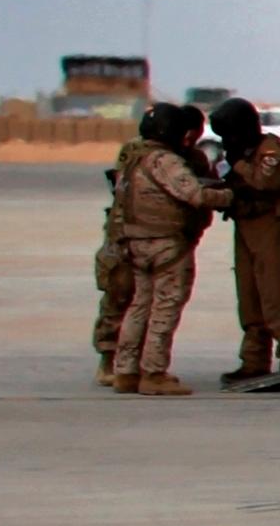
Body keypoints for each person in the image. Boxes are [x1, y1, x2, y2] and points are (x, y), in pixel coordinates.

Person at [108, 101, 231, 395]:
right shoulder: (165, 161)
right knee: (166, 306)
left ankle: (125, 371)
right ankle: (153, 373)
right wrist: (229, 196)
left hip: (136, 243)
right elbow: (195, 195)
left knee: (139, 306)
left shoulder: (133, 158)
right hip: (166, 245)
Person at [208, 98, 280, 387]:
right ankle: (254, 360)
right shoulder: (246, 152)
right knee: (249, 298)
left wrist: (237, 164)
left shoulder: (270, 151)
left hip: (271, 229)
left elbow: (266, 183)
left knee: (271, 296)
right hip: (246, 226)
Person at [91, 116, 167, 387]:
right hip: (124, 231)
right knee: (119, 293)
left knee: (143, 300)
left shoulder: (157, 151)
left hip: (140, 231)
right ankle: (109, 360)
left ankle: (132, 362)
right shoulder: (139, 151)